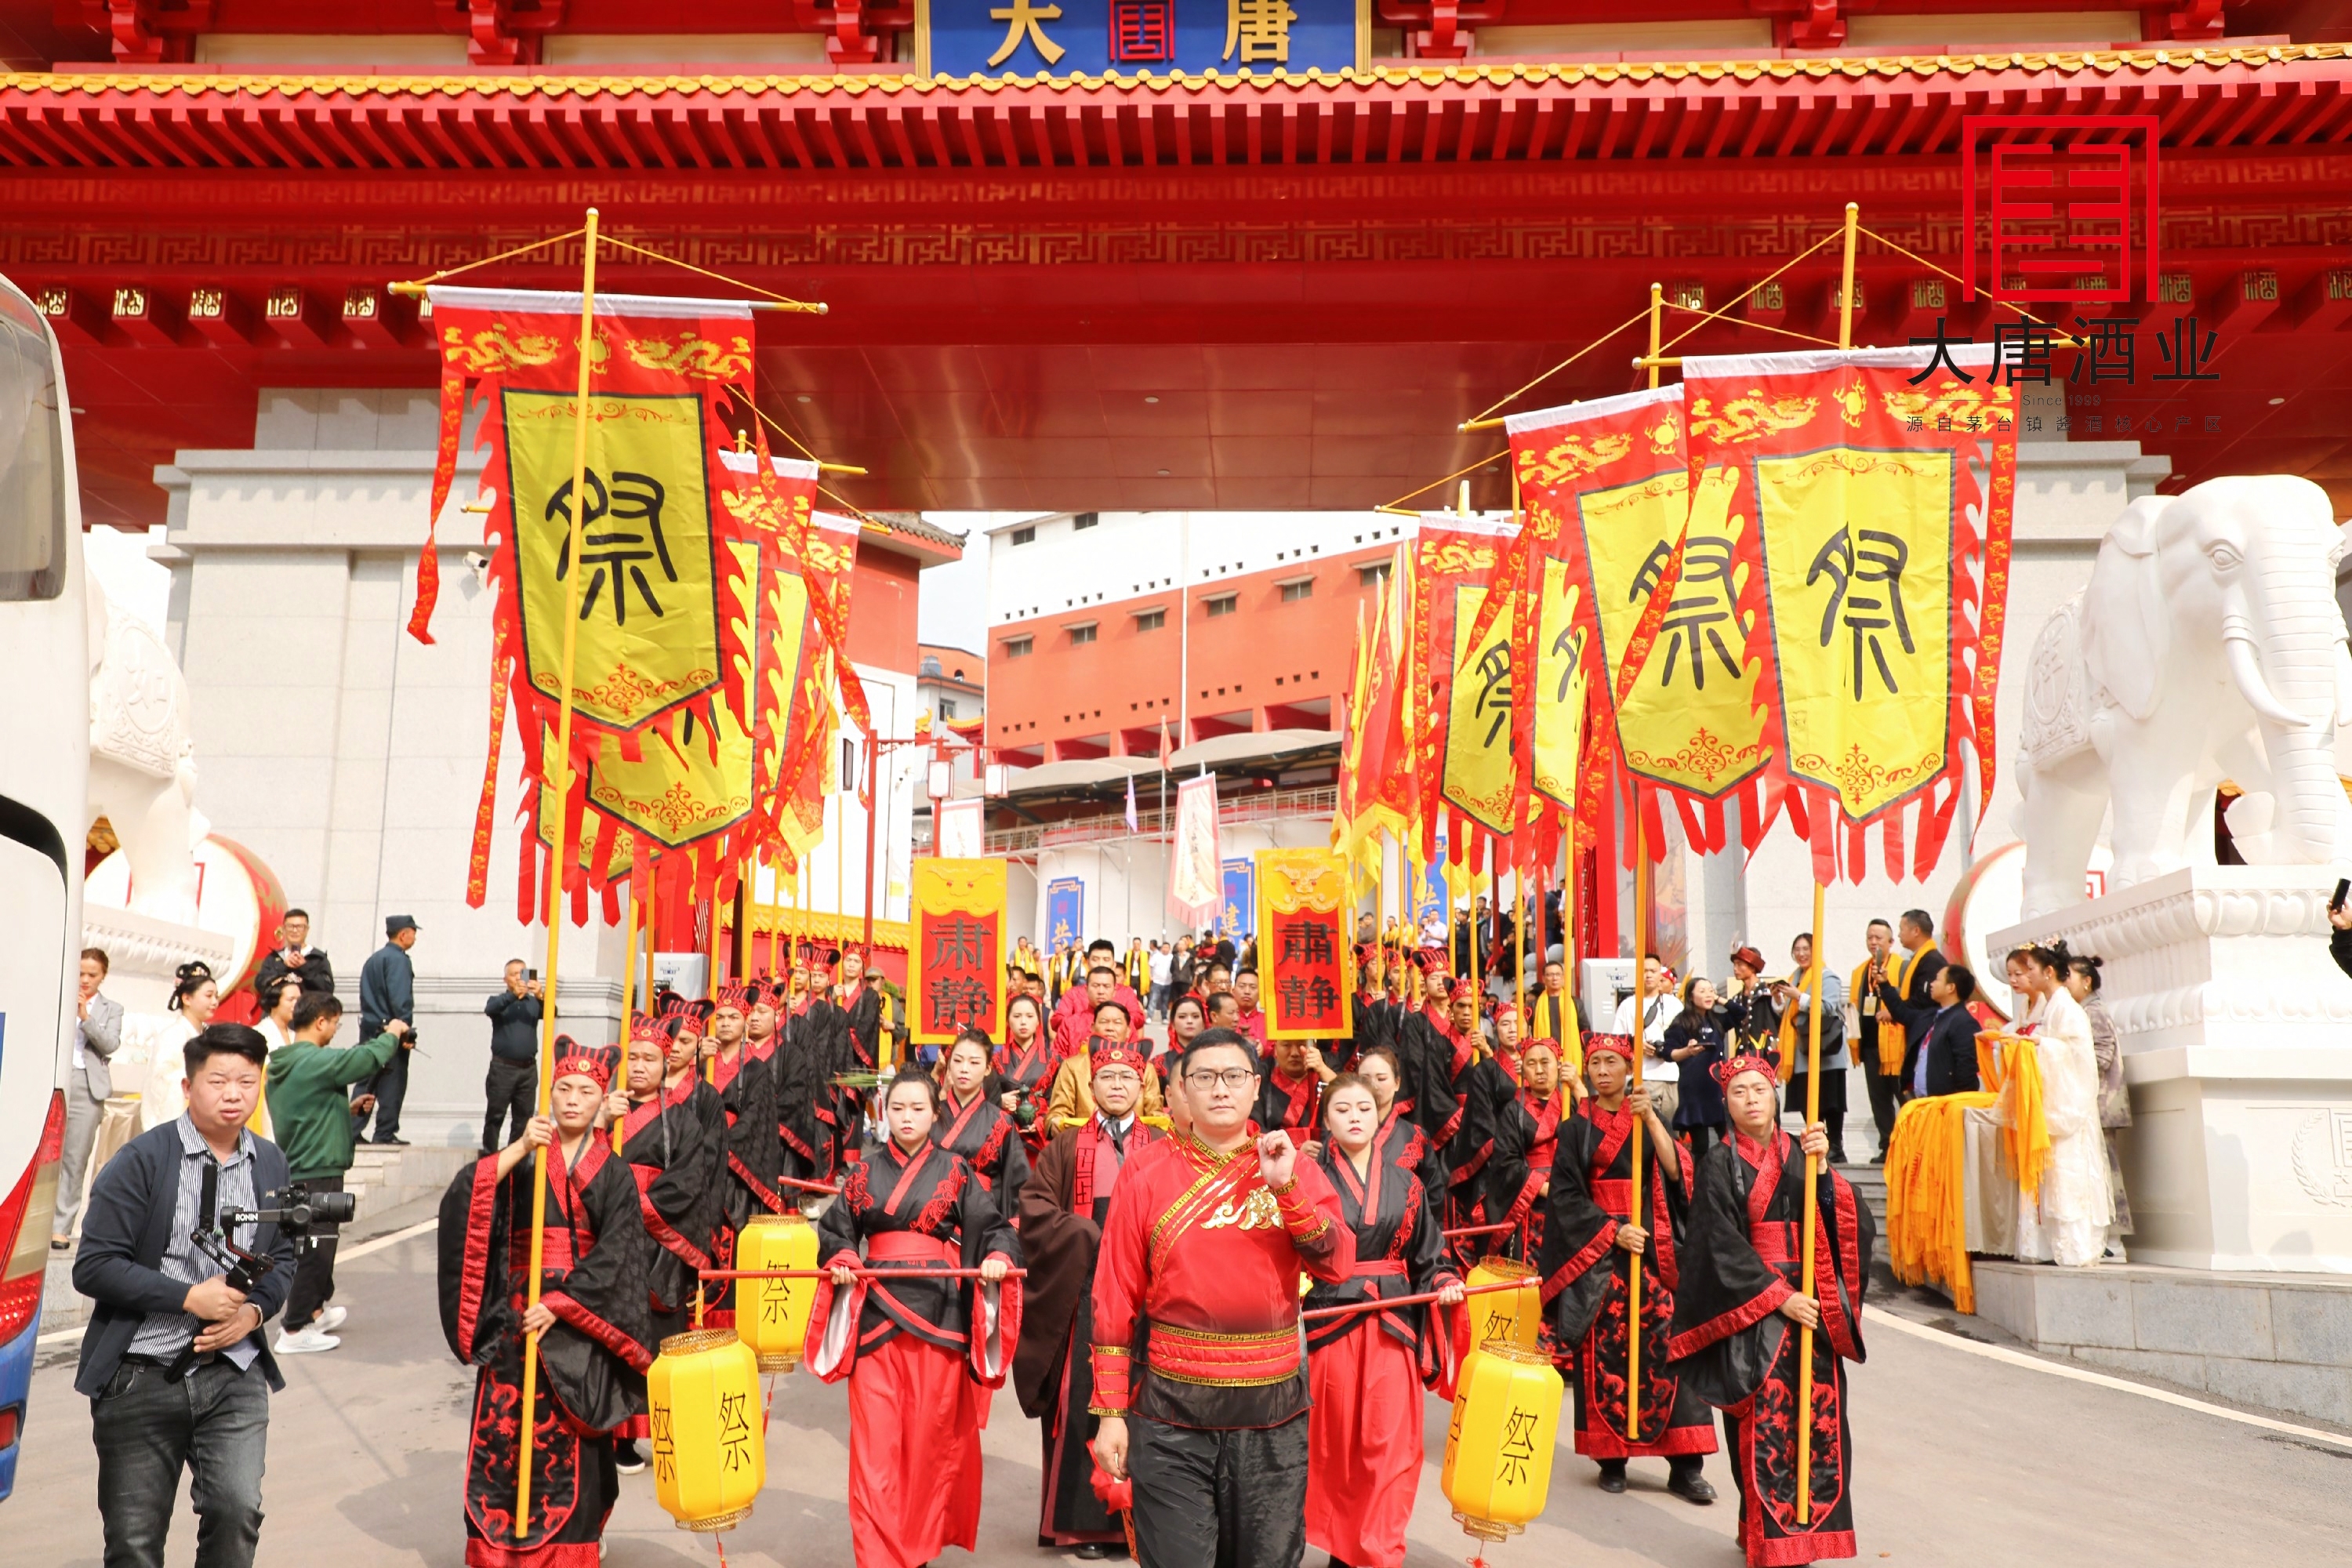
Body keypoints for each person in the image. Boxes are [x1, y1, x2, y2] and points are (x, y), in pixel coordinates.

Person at [1089, 1029, 1354, 1568]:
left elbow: (1337, 1261)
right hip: (1170, 1416)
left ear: (1256, 1088)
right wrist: (1111, 1413)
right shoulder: (1147, 1174)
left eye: (1234, 1076)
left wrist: (1286, 1190)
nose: (1220, 1089)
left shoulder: (1292, 1166)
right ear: (1181, 1089)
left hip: (1272, 1417)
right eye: (1204, 1077)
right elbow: (1114, 1294)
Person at [74, 1023, 297, 1568]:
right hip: (141, 1374)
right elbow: (95, 1266)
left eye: (246, 1081)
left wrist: (253, 1312)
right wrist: (188, 1297)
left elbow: (284, 1258)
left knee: (237, 1512)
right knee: (134, 1541)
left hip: (233, 1375)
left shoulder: (270, 1162)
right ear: (187, 1086)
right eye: (218, 1080)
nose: (232, 1094)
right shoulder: (143, 1161)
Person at [439, 1046, 655, 1568]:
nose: (573, 1100)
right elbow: (465, 1204)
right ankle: (498, 1543)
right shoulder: (526, 1159)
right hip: (517, 1315)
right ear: (549, 1095)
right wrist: (515, 1149)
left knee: (573, 1434)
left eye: (585, 1091)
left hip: (578, 1318)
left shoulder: (615, 1172)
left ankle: (572, 1545)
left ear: (603, 1099)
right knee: (507, 1427)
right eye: (564, 1089)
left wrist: (562, 1302)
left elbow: (621, 1251)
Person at [1669, 1052, 1872, 1567]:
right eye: (1739, 1092)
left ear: (1776, 1092)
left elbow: (1847, 1224)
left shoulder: (1803, 1151)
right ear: (1725, 1102)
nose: (1751, 1099)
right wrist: (1780, 1296)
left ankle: (1802, 1533)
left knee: (1815, 1420)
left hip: (1813, 1300)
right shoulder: (1718, 1160)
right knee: (1761, 1424)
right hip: (1756, 1306)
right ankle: (1768, 1536)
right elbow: (1716, 1242)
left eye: (1759, 1089)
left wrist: (1825, 1171)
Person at [812, 1070, 1021, 1568]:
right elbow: (835, 1231)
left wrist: (996, 1258)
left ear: (934, 1114)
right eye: (898, 1108)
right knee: (874, 1449)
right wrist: (842, 1258)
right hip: (876, 1318)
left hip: (939, 1316)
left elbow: (993, 1228)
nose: (907, 1117)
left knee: (930, 1443)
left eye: (918, 1109)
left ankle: (918, 1550)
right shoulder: (862, 1174)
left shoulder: (956, 1170)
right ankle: (880, 1556)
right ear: (884, 1113)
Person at [1537, 1034, 1717, 1503]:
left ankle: (1685, 1463)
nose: (1601, 1070)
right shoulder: (1575, 1129)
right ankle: (1611, 1457)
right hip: (1600, 1255)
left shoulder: (1647, 1120)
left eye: (1611, 1062)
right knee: (1606, 1354)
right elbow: (1566, 1197)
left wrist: (1651, 1118)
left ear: (1627, 1069)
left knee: (1669, 1349)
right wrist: (1611, 1230)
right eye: (1594, 1062)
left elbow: (1679, 1174)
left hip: (1655, 1249)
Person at [1304, 1073, 1465, 1568]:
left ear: (1380, 1117)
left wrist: (1442, 1283)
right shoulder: (1308, 1180)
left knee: (1390, 1445)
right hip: (1332, 1322)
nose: (1354, 1117)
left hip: (1392, 1326)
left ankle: (1377, 1550)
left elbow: (1429, 1255)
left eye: (1364, 1109)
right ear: (1326, 1121)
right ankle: (1340, 1546)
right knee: (1332, 1448)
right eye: (1342, 1110)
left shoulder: (1408, 1183)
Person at [1014, 1041, 1165, 1558]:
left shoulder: (1163, 1144)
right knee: (1085, 1402)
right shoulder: (1067, 1146)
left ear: (1142, 1085)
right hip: (1085, 1295)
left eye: (1127, 1077)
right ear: (1091, 1086)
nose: (1117, 1085)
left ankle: (1146, 1518)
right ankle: (1088, 1526)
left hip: (1153, 1296)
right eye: (1108, 1078)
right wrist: (1080, 1233)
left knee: (1151, 1402)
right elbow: (1033, 1206)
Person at [265, 994, 408, 1352]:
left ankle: (313, 1311)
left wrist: (347, 1109)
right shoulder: (314, 1059)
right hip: (317, 1170)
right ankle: (295, 1330)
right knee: (316, 1248)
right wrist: (391, 1033)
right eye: (335, 1024)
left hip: (307, 1166)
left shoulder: (289, 1062)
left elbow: (308, 1113)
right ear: (321, 1022)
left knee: (319, 1245)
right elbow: (364, 1059)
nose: (334, 1031)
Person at [610, 1013, 728, 1340]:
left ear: (664, 1063)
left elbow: (686, 1186)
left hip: (654, 1243)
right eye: (632, 1057)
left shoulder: (683, 1124)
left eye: (649, 1058)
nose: (639, 1066)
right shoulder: (604, 1113)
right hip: (603, 1238)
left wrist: (626, 1204)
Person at [2006, 941, 2114, 1269]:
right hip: (2053, 1102)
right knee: (2053, 1177)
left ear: (2048, 972)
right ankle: (2053, 1245)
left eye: (2030, 970)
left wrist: (2038, 1044)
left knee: (2070, 1174)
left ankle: (2076, 1246)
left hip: (2069, 1104)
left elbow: (2076, 1056)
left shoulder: (2067, 1008)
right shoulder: (2052, 1006)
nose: (2026, 976)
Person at [56, 946, 124, 1248]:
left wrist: (85, 1017)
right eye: (80, 973)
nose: (84, 980)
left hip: (87, 1084)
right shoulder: (57, 995)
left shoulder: (112, 1008)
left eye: (91, 975)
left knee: (74, 1156)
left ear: (103, 977)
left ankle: (61, 1225)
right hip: (55, 1077)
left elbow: (110, 1044)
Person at [2065, 953, 2133, 1254]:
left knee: (2109, 1172)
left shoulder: (2094, 1012)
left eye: (2068, 977)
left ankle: (2115, 1241)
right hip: (2089, 1103)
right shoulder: (2080, 1011)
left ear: (2086, 980)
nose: (2065, 983)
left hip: (2102, 1102)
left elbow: (2102, 1057)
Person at [1868, 909, 1947, 1153]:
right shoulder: (1919, 960)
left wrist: (1893, 1006)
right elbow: (1911, 1010)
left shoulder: (1932, 962)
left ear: (1916, 930)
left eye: (1902, 929)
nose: (1900, 934)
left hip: (1928, 1045)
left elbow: (1918, 1009)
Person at [936, 1029, 1033, 1221]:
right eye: (957, 1061)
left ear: (988, 1068)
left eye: (974, 1062)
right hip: (933, 1217)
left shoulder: (1001, 1121)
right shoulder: (930, 1115)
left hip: (982, 1217)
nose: (964, 1069)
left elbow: (1017, 1181)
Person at [1770, 933, 1849, 1164]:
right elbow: (1787, 1014)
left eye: (1806, 949)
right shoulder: (1794, 977)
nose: (1801, 954)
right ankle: (1818, 1140)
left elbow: (1828, 1007)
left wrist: (1799, 996)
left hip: (1824, 1051)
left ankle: (1836, 1145)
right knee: (1806, 1100)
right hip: (1801, 1051)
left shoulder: (1827, 976)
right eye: (1797, 950)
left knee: (1830, 1101)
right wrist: (1779, 998)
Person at [1486, 1036, 1566, 1259]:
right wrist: (1540, 1187)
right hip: (1530, 1196)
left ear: (1559, 1066)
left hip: (1569, 1192)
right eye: (1532, 1064)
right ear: (1523, 1070)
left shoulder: (1570, 1103)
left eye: (1545, 1062)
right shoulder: (1513, 1110)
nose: (1539, 1070)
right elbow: (1505, 1161)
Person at [1046, 1004, 1170, 1132]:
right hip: (1084, 1142)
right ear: (1093, 1028)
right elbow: (1057, 1114)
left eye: (1117, 1023)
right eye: (1104, 1022)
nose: (1110, 1028)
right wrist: (1057, 1123)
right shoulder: (1072, 1066)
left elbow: (1155, 1115)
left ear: (1128, 1031)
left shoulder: (1145, 1068)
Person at [354, 915, 420, 1146]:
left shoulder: (374, 959)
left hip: (370, 1028)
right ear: (404, 934)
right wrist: (406, 1030)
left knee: (366, 1081)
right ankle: (384, 1133)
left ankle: (352, 1133)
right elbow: (400, 998)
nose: (415, 937)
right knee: (393, 1082)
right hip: (391, 1032)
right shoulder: (399, 961)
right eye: (413, 932)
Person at [143, 960, 219, 1132]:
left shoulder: (210, 1037)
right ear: (186, 998)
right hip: (177, 1120)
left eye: (216, 996)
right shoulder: (172, 1035)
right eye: (208, 996)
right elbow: (160, 1083)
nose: (215, 1002)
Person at [1662, 976, 1732, 1160]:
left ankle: (1728, 1178)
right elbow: (1668, 1053)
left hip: (1718, 1089)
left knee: (1729, 1140)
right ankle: (1699, 1183)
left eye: (1711, 990)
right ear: (1691, 997)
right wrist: (1688, 1051)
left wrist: (1718, 999)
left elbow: (1740, 1013)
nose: (1708, 995)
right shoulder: (1682, 1022)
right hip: (1694, 1090)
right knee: (1700, 1146)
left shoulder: (1716, 1020)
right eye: (1702, 991)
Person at [481, 959, 543, 1154]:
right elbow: (490, 1009)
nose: (519, 977)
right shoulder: (499, 1001)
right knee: (495, 1114)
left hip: (528, 1069)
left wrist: (541, 995)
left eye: (522, 973)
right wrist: (513, 996)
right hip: (503, 1069)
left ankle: (516, 1157)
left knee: (523, 1117)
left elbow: (552, 1012)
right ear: (505, 979)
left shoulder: (533, 1003)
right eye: (514, 974)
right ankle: (490, 1155)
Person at [1613, 954, 1682, 1126]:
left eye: (1653, 971)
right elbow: (1616, 1040)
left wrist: (1666, 1047)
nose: (1649, 975)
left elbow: (1684, 1036)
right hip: (1642, 1076)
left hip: (1671, 1075)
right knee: (1647, 1129)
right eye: (1644, 971)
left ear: (1661, 975)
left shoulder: (1674, 1004)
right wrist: (1635, 1043)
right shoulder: (1627, 1005)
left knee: (1666, 1129)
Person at [1912, 964, 1982, 1098]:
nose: (1932, 984)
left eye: (1937, 979)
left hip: (1946, 1103)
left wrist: (1957, 1100)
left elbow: (1966, 1066)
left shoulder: (1963, 1021)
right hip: (1930, 1101)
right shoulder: (1941, 1017)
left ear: (1951, 988)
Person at [1252, 1033, 1336, 1137]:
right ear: (1275, 1049)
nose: (1295, 1053)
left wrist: (1323, 1070)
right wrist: (1295, 1145)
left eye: (1302, 1044)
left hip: (1324, 1148)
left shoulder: (1329, 1065)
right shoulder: (1261, 1073)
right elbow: (1254, 1127)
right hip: (1276, 1148)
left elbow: (1349, 1099)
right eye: (1286, 1045)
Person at [252, 909, 334, 1006]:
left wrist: (305, 967)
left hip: (308, 1014)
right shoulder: (274, 958)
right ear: (283, 929)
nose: (294, 930)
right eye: (290, 926)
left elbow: (328, 989)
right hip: (279, 1014)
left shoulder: (318, 958)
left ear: (307, 929)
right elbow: (260, 985)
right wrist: (283, 968)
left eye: (299, 927)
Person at [1525, 957, 1584, 1077]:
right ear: (1544, 979)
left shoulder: (1575, 1003)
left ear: (1563, 977)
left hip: (1570, 1057)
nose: (1554, 978)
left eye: (1557, 974)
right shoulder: (1534, 1005)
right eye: (1550, 975)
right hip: (1544, 1058)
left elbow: (1584, 1030)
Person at [1231, 967, 1269, 1048]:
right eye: (1242, 986)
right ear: (1233, 991)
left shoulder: (1269, 1020)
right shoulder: (1226, 1018)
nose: (1247, 991)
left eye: (1253, 987)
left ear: (1260, 994)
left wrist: (1264, 1049)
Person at [1148, 940, 1174, 1020]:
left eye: (1167, 947)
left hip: (1168, 983)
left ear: (1170, 949)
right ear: (1161, 948)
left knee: (1165, 1001)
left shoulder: (1172, 957)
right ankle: (1149, 1016)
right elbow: (1149, 966)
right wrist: (1150, 976)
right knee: (1153, 1000)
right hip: (1156, 982)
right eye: (1164, 947)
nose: (1165, 949)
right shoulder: (1156, 956)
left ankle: (1164, 1017)